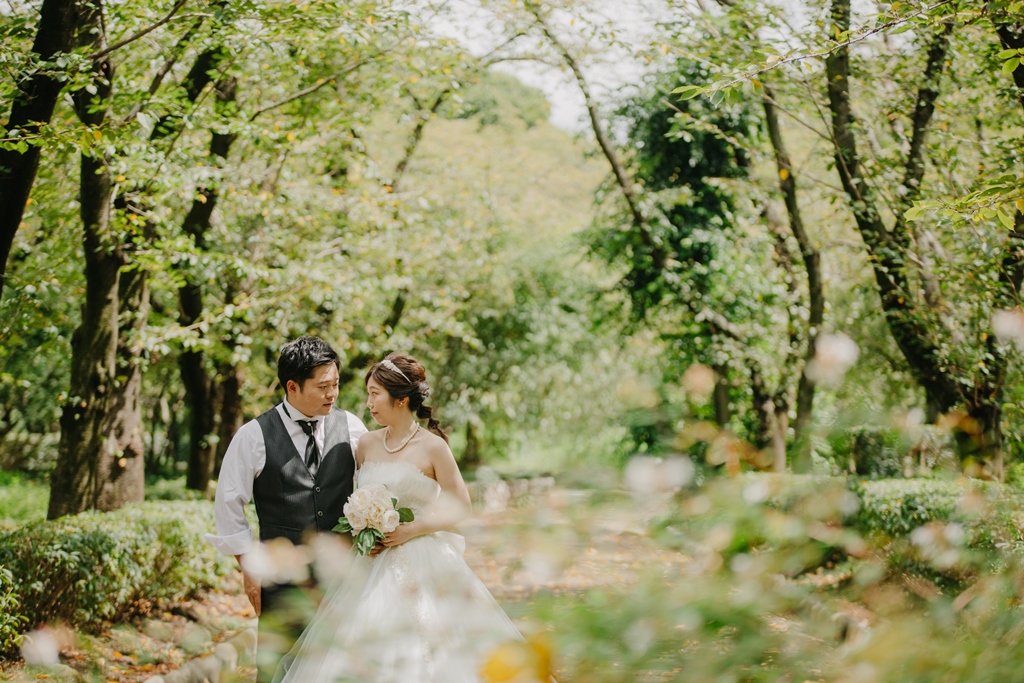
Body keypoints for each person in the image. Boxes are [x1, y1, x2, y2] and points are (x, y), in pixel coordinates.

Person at [274, 353, 525, 683]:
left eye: (375, 394)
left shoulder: (434, 447)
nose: (368, 404)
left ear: (402, 398)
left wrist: (414, 530)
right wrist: (364, 530)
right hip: (371, 564)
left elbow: (461, 505)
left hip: (424, 560)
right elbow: (357, 498)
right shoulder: (365, 444)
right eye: (368, 394)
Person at [205, 336, 368, 683]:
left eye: (336, 384)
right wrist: (249, 571)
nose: (333, 394)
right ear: (292, 386)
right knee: (279, 670)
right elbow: (229, 508)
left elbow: (372, 490)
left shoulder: (353, 427)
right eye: (323, 386)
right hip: (283, 583)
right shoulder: (253, 436)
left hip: (343, 579)